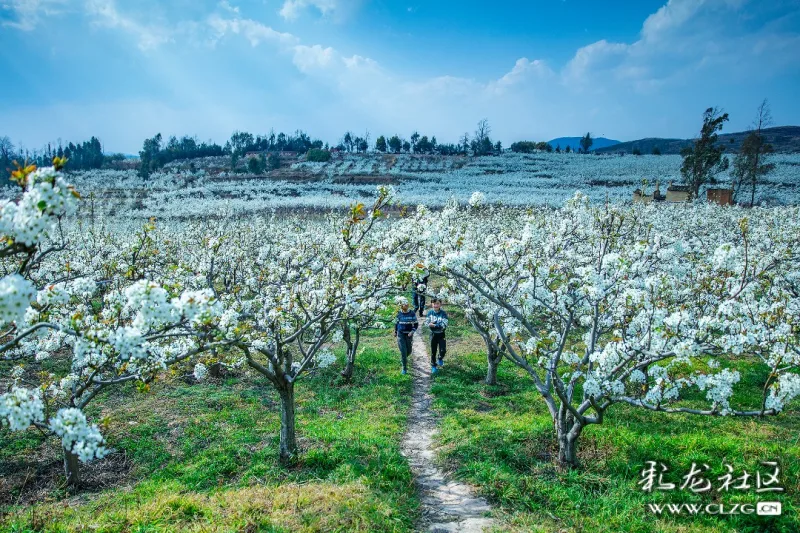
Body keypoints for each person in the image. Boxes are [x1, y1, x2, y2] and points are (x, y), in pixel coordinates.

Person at [393, 296, 418, 374]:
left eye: (407, 304)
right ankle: (404, 368)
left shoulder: (412, 313)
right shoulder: (398, 313)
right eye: (404, 304)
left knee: (409, 351)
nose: (406, 305)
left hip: (409, 335)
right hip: (400, 335)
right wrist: (395, 331)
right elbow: (396, 323)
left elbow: (416, 324)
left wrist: (412, 331)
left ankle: (403, 359)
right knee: (403, 351)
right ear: (401, 305)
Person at [425, 298, 449, 373]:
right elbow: (426, 323)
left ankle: (440, 358)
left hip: (441, 334)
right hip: (433, 335)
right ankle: (433, 365)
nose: (436, 305)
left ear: (440, 304)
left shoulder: (443, 313)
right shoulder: (430, 313)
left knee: (443, 350)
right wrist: (430, 324)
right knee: (433, 351)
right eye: (434, 303)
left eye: (437, 303)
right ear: (432, 304)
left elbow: (444, 324)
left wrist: (434, 325)